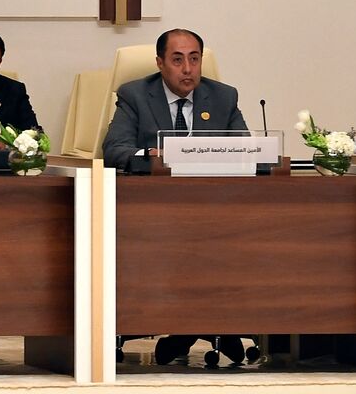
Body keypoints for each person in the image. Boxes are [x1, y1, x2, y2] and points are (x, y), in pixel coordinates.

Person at [101, 28, 250, 366]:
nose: (188, 69)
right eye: (178, 60)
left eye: (194, 59)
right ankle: (198, 322)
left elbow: (246, 150)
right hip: (155, 213)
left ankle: (200, 322)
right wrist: (150, 155)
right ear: (160, 63)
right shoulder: (135, 95)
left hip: (215, 211)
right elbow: (113, 150)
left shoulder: (224, 97)